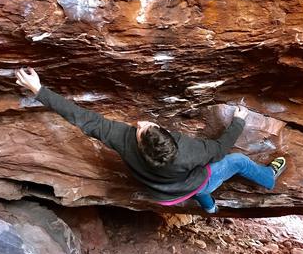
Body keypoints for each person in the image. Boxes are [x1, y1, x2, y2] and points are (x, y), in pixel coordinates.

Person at [15, 67, 286, 213]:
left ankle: (210, 207)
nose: (141, 123)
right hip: (191, 182)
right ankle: (268, 178)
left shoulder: (122, 139)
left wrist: (39, 90)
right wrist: (239, 119)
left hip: (162, 196)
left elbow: (83, 118)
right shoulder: (190, 151)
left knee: (201, 187)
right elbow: (221, 147)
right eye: (145, 127)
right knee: (234, 161)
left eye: (143, 127)